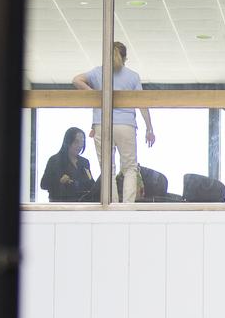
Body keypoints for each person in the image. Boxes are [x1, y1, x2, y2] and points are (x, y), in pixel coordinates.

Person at [72, 41, 155, 203]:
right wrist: (149, 128)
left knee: (108, 168)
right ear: (125, 58)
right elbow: (142, 103)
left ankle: (112, 204)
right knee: (130, 167)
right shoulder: (132, 76)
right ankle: (127, 206)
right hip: (126, 125)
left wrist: (95, 94)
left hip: (102, 124)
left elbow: (76, 80)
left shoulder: (98, 73)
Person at [40, 127, 95, 202]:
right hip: (60, 205)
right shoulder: (55, 160)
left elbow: (91, 184)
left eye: (82, 142)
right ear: (68, 142)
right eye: (76, 142)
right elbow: (44, 184)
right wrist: (59, 181)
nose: (80, 145)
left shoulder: (84, 162)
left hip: (81, 205)